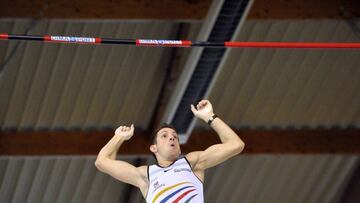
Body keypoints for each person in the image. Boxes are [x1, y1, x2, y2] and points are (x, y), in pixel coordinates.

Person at [95, 100, 245, 203]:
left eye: (175, 137)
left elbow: (236, 144)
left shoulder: (192, 163)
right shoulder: (145, 176)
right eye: (165, 136)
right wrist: (118, 137)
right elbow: (102, 162)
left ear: (180, 147)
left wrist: (209, 116)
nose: (172, 138)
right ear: (154, 148)